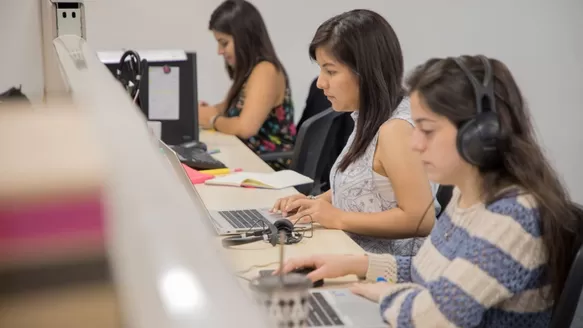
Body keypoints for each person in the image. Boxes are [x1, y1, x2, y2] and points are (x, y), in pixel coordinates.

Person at [276, 55, 581, 327]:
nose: (414, 143)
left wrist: (384, 293)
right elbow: (433, 274)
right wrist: (358, 264)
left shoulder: (512, 217)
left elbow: (434, 317)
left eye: (427, 129)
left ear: (480, 135)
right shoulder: (470, 194)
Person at [272, 10, 440, 255]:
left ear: (367, 71)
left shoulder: (396, 130)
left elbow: (420, 220)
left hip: (390, 273)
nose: (320, 83)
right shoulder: (368, 117)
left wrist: (338, 217)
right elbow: (367, 185)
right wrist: (316, 204)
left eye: (330, 71)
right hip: (353, 256)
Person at [198, 0, 296, 170]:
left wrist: (213, 120)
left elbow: (246, 128)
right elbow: (233, 106)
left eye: (224, 43)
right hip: (251, 160)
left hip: (267, 166)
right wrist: (207, 112)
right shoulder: (250, 71)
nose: (219, 51)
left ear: (243, 38)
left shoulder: (266, 70)